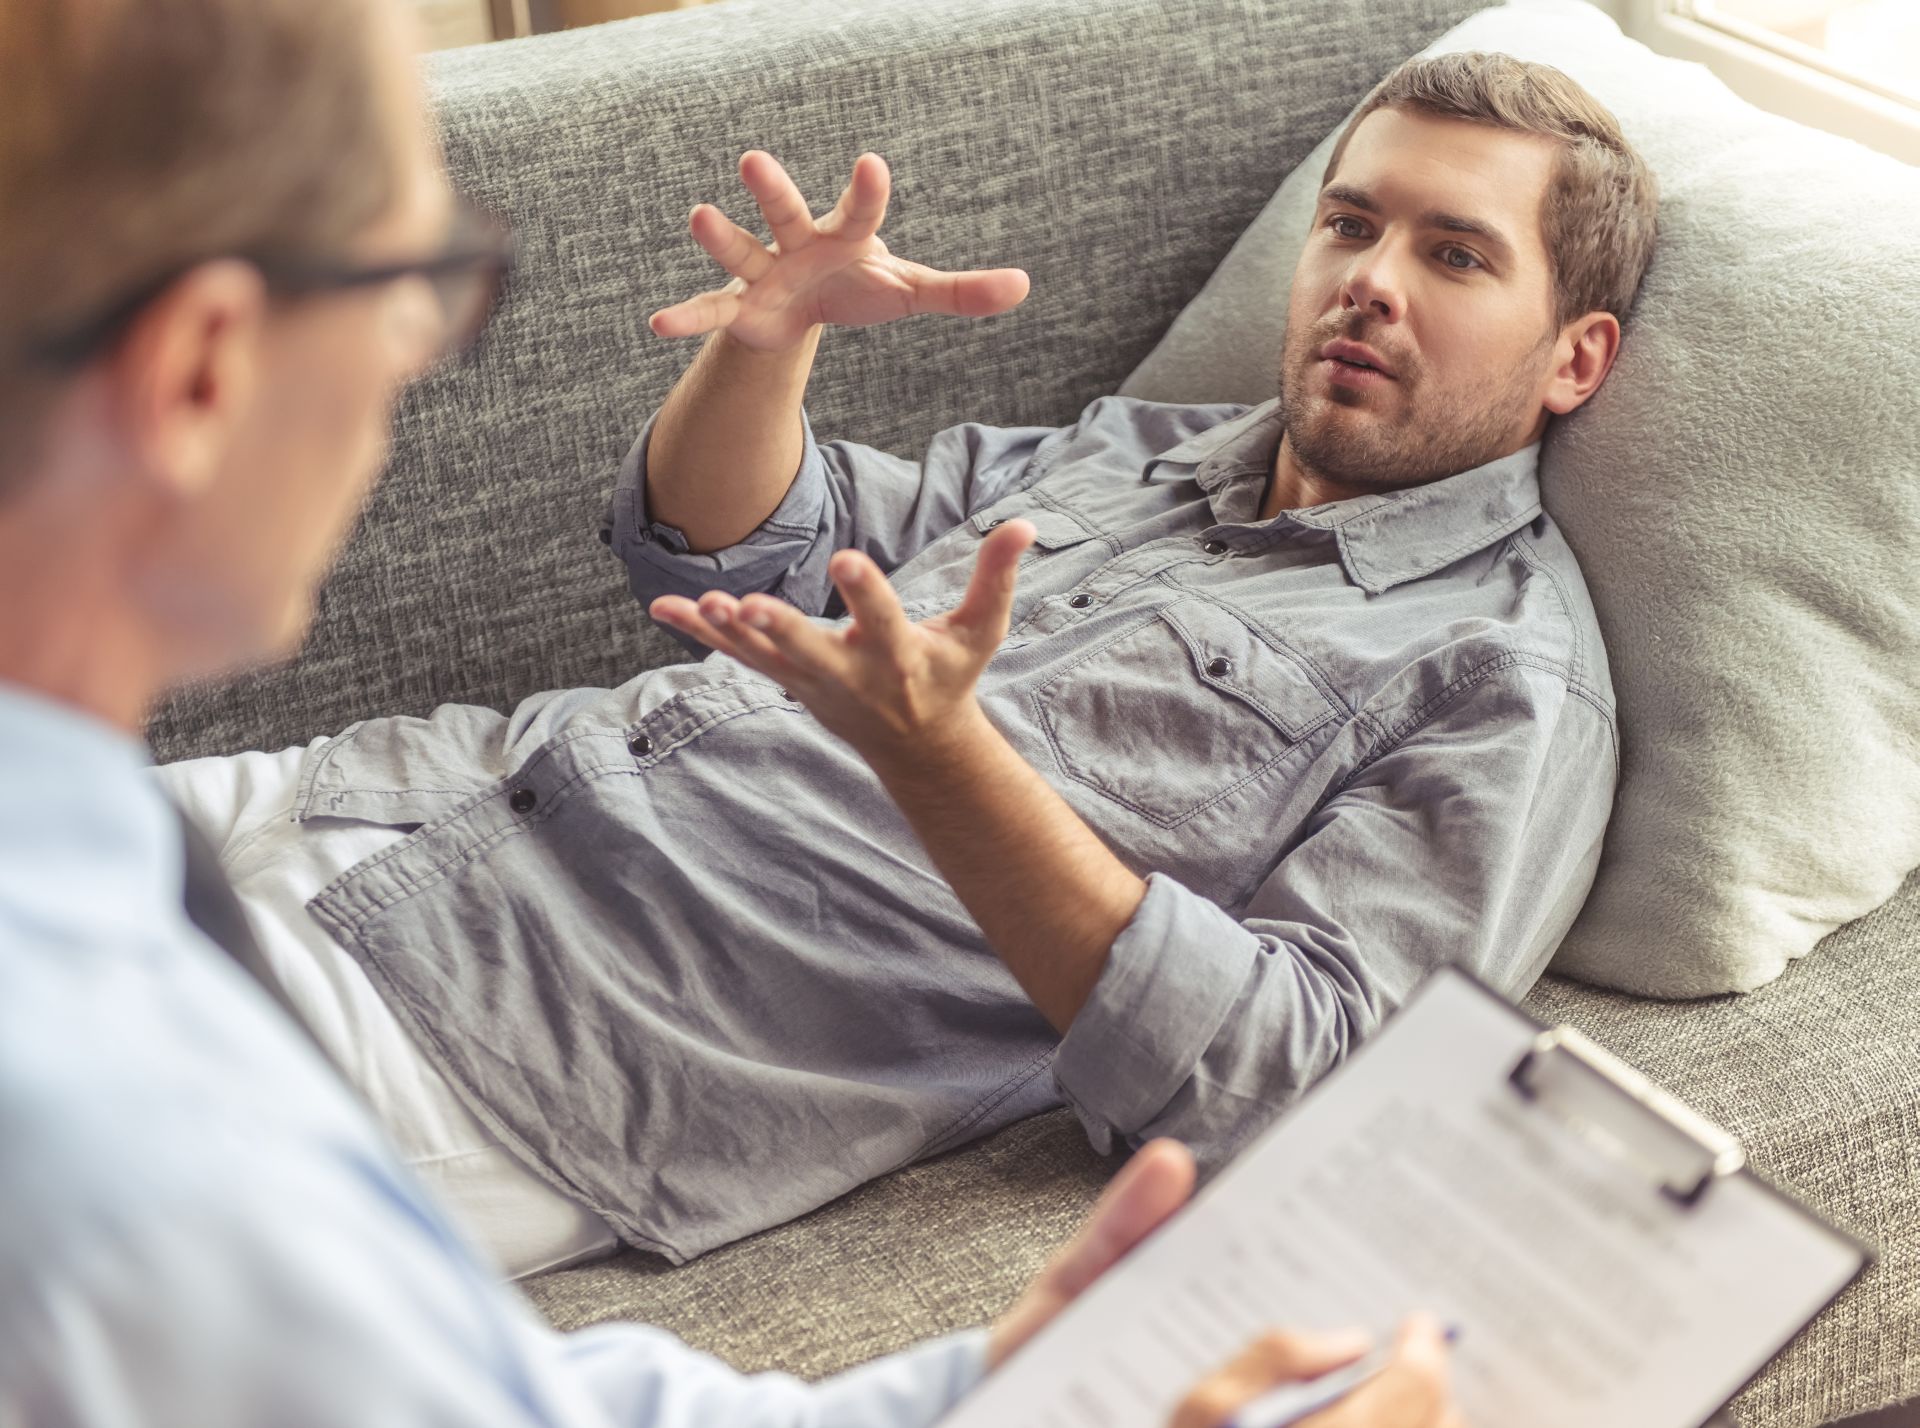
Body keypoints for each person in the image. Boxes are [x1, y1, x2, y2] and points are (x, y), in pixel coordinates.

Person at [0, 1, 1473, 1423]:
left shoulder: (1485, 672)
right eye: (1349, 224)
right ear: (199, 370)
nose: (1370, 279)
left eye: (1456, 254)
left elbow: (1309, 1080)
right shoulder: (1137, 458)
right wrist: (765, 350)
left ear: (1584, 353)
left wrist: (989, 1391)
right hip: (406, 796)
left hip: (536, 1021)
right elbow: (744, 552)